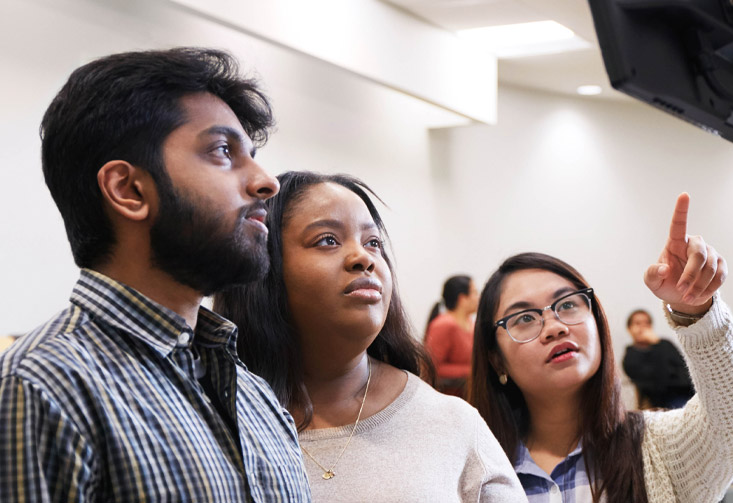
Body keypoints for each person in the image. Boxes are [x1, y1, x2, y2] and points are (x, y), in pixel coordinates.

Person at [0, 48, 311, 502]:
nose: (267, 181)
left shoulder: (253, 394)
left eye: (254, 155)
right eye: (223, 151)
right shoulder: (42, 388)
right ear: (129, 190)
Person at [214, 171, 526, 502]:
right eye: (328, 240)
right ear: (263, 267)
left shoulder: (450, 422)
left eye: (373, 242)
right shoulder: (214, 424)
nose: (363, 258)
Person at [470, 193, 733, 502]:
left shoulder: (657, 448)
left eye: (569, 304)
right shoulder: (474, 473)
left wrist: (696, 309)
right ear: (496, 360)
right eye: (524, 318)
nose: (555, 327)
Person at [622, 309, 694, 409]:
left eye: (647, 323)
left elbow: (686, 369)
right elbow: (659, 384)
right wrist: (655, 343)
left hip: (692, 392)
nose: (643, 327)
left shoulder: (665, 344)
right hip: (667, 401)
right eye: (638, 323)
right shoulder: (631, 358)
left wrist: (657, 344)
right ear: (629, 329)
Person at [425, 274, 479, 396]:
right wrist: (471, 371)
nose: (478, 297)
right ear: (462, 298)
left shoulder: (471, 323)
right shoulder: (443, 325)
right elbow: (432, 368)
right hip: (449, 398)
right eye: (475, 292)